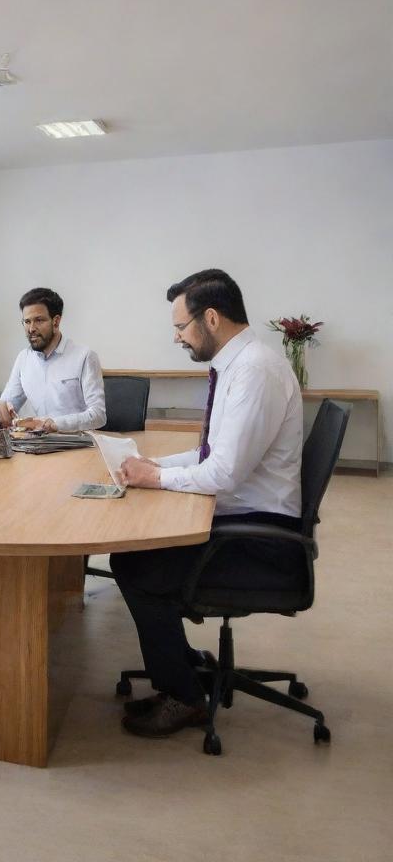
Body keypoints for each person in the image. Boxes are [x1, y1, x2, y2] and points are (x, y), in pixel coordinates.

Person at [111, 269, 303, 738]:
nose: (177, 337)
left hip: (261, 539)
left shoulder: (255, 371)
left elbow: (223, 473)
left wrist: (155, 478)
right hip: (245, 515)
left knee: (136, 568)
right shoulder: (239, 365)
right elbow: (210, 455)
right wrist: (153, 462)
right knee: (137, 556)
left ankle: (183, 695)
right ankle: (185, 663)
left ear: (211, 318)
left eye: (180, 327)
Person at [0, 287, 106, 433]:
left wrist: (54, 424)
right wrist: (4, 408)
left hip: (77, 445)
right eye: (27, 322)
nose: (31, 329)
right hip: (38, 445)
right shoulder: (24, 358)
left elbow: (98, 416)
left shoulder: (84, 356)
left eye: (39, 320)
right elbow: (8, 404)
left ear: (56, 321)